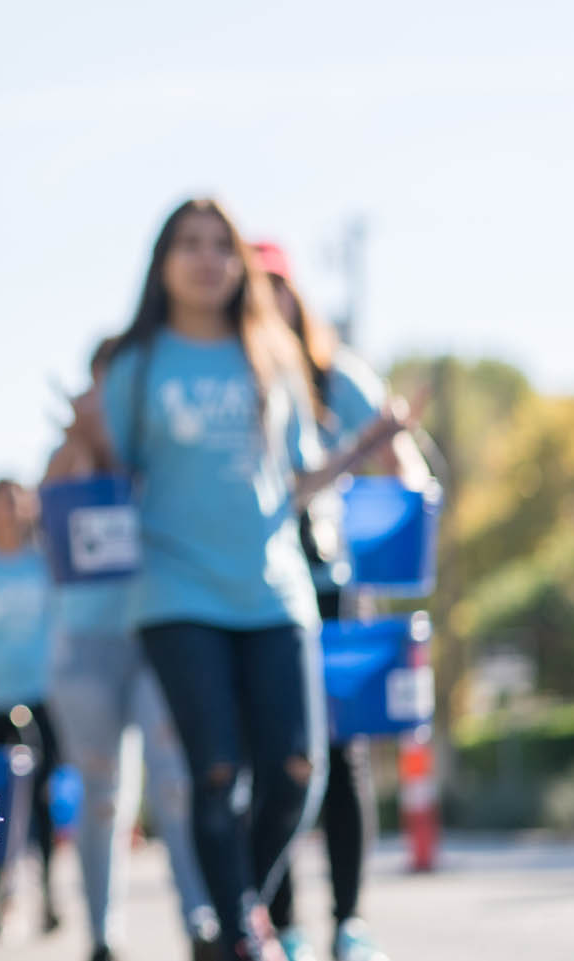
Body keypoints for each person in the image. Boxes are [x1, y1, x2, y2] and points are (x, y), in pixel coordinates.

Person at [90, 199, 416, 961]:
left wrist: (368, 446)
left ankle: (239, 912)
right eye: (190, 244)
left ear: (240, 264)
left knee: (299, 772)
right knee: (217, 772)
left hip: (276, 592)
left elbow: (297, 482)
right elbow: (111, 479)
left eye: (221, 246)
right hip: (177, 595)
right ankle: (240, 936)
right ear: (162, 261)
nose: (208, 259)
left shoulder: (271, 352)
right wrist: (83, 438)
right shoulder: (137, 366)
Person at [253, 241, 430, 961]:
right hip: (260, 586)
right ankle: (286, 922)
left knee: (343, 752)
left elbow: (404, 469)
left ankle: (350, 920)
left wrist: (393, 451)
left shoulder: (335, 376)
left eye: (277, 288)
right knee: (280, 757)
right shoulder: (243, 376)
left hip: (333, 586)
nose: (268, 303)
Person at [44, 349, 218, 961]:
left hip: (155, 633)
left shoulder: (157, 448)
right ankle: (101, 935)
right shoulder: (67, 451)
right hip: (86, 645)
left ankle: (202, 921)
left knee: (175, 783)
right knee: (102, 794)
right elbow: (53, 508)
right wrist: (82, 439)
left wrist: (114, 443)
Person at [0, 480, 61, 935]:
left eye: (16, 501)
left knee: (40, 794)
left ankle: (49, 890)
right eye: (0, 500)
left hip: (39, 695)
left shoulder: (44, 564)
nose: (9, 509)